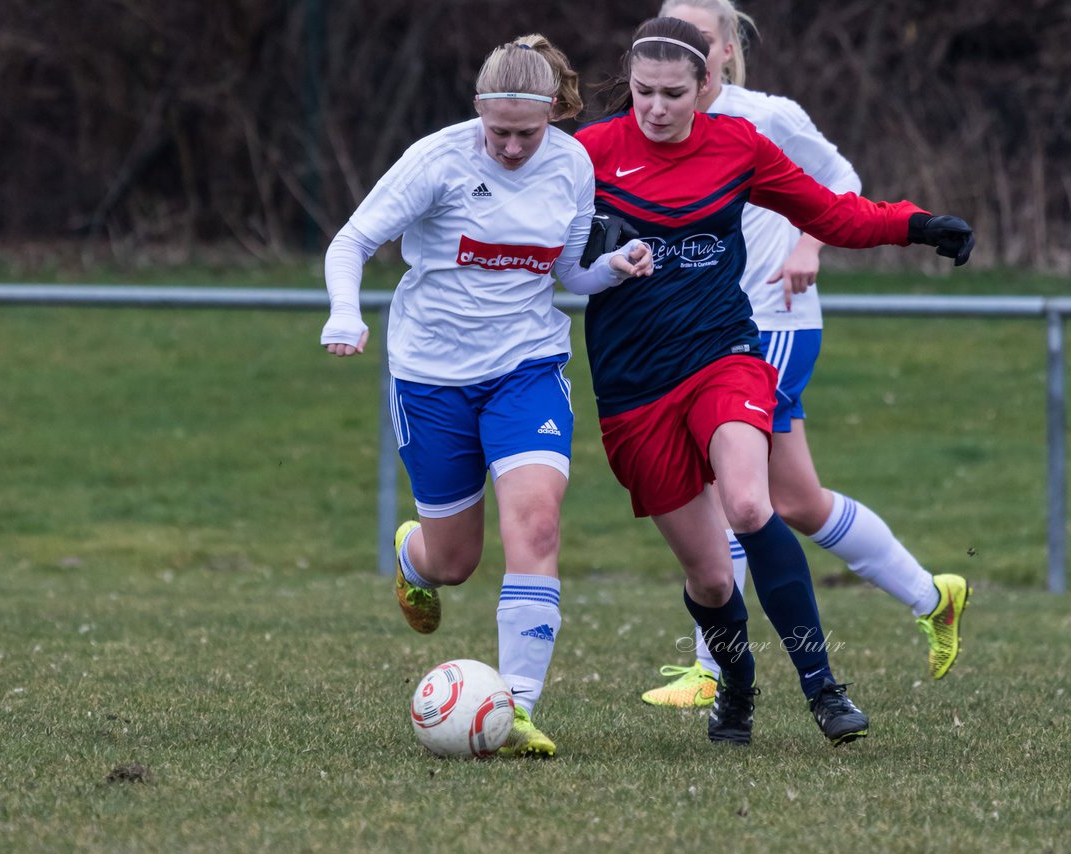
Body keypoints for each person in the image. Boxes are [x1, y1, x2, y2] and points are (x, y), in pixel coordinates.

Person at [573, 17, 974, 745]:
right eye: (642, 94)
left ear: (706, 87)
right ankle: (737, 685)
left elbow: (831, 213)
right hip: (633, 389)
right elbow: (525, 224)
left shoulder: (740, 144)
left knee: (754, 504)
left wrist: (915, 224)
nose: (656, 109)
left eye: (672, 94)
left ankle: (825, 689)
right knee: (713, 583)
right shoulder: (589, 153)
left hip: (723, 355)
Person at [320, 34, 651, 759]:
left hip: (525, 367)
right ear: (477, 111)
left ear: (552, 119)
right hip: (431, 375)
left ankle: (518, 706)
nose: (508, 146)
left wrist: (615, 267)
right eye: (497, 130)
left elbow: (568, 272)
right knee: (456, 562)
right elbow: (349, 243)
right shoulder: (437, 160)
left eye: (525, 133)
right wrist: (346, 313)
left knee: (535, 526)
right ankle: (415, 558)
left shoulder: (571, 164)